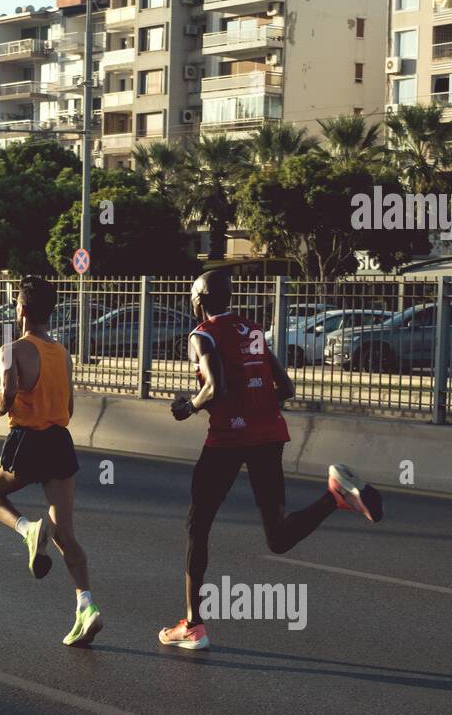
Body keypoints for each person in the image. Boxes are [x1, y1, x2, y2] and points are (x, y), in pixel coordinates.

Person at [161, 271, 384, 651]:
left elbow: (215, 388)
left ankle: (193, 625)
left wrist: (188, 407)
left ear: (198, 299)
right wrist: (257, 408)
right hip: (269, 436)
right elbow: (287, 388)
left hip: (227, 440)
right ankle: (335, 496)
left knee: (197, 527)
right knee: (278, 536)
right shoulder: (252, 331)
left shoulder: (201, 336)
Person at [0, 276, 101, 647]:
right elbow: (68, 408)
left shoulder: (12, 349)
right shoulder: (62, 354)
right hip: (59, 443)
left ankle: (27, 530)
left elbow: (8, 393)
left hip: (26, 442)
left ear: (21, 310)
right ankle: (87, 607)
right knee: (66, 535)